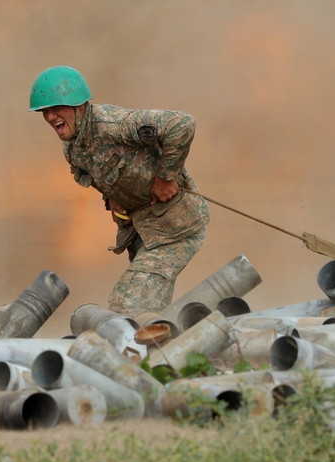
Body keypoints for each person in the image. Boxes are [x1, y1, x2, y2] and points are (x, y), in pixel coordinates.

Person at [29, 65, 209, 315]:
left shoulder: (115, 125)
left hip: (176, 227)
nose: (49, 117)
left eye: (55, 108)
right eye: (44, 111)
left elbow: (182, 124)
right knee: (150, 310)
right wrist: (111, 199)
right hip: (143, 232)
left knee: (129, 305)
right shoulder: (73, 148)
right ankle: (164, 349)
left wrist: (165, 177)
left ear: (79, 105)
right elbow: (95, 174)